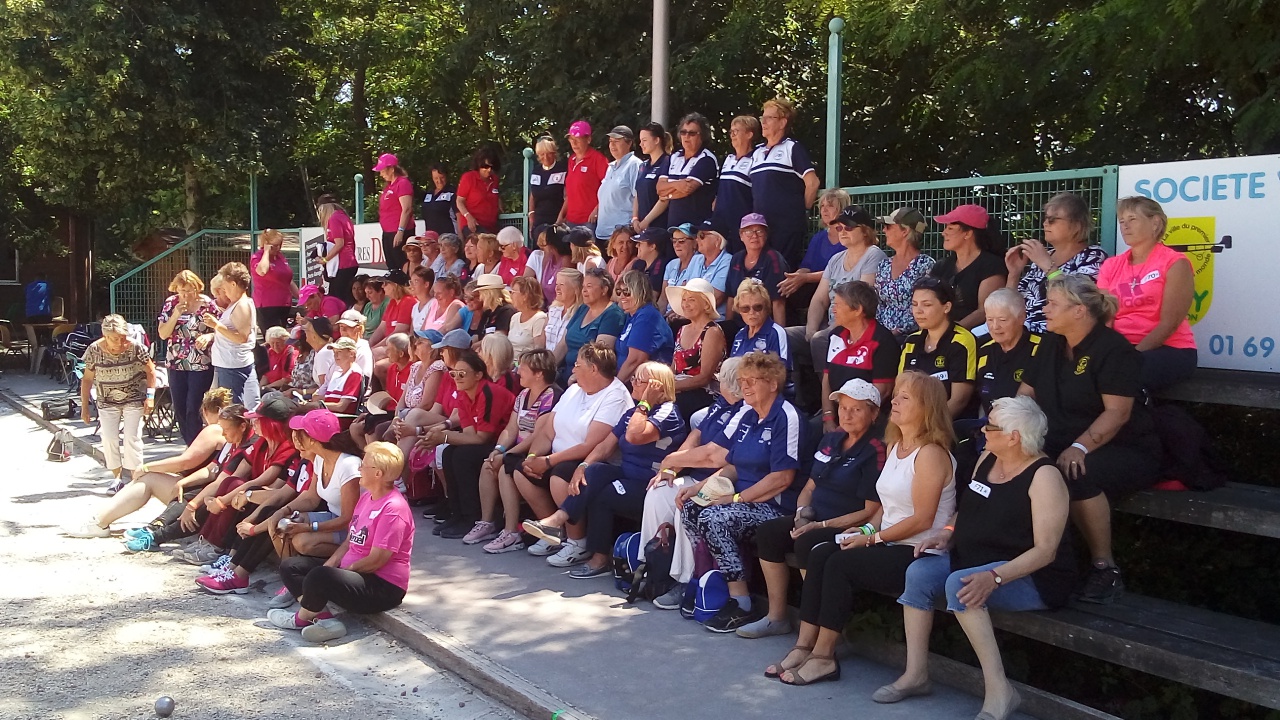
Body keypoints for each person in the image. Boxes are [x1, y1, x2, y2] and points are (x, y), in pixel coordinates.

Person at [882, 395, 1073, 718]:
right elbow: (966, 510)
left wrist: (995, 577)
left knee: (960, 584)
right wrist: (946, 532)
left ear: (1014, 436)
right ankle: (916, 675)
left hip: (1030, 575)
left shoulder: (1044, 477)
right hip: (975, 556)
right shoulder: (988, 459)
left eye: (990, 426)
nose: (982, 429)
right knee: (919, 573)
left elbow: (1046, 551)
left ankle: (1000, 691)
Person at [774, 372, 955, 685]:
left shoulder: (931, 454)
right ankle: (805, 644)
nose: (893, 401)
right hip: (887, 541)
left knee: (840, 564)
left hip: (917, 550)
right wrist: (867, 533)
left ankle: (824, 657)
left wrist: (873, 540)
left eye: (904, 397)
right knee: (820, 553)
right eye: (895, 395)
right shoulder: (897, 445)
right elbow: (885, 506)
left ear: (925, 407)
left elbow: (923, 519)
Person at [1018, 274, 1161, 604]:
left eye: (1053, 304)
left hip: (1123, 448)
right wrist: (1008, 430)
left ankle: (1104, 568)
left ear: (1079, 310)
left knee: (1075, 472)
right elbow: (1026, 395)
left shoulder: (1114, 350)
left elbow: (1117, 414)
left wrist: (1080, 446)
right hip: (1059, 441)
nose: (1045, 310)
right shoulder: (1051, 343)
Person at [743, 378, 885, 639]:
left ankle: (821, 624)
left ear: (874, 413)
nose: (847, 414)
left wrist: (818, 526)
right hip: (812, 516)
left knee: (808, 542)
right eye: (843, 407)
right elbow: (808, 488)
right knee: (769, 533)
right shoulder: (830, 439)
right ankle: (776, 618)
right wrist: (801, 515)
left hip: (845, 523)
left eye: (856, 409)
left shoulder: (876, 449)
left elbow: (870, 511)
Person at [676, 352, 804, 632]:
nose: (744, 386)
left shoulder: (786, 416)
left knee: (714, 518)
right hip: (742, 499)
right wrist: (699, 488)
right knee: (692, 508)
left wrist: (734, 499)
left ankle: (741, 602)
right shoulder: (749, 414)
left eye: (752, 381)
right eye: (742, 381)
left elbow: (782, 478)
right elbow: (732, 465)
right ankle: (708, 582)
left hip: (776, 506)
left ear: (772, 384)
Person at [523, 362, 687, 577]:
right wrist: (583, 466)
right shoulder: (633, 412)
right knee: (595, 470)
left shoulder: (667, 412)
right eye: (634, 378)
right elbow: (605, 446)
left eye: (640, 381)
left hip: (648, 483)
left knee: (604, 494)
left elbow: (634, 436)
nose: (633, 383)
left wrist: (646, 402)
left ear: (658, 387)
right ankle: (557, 520)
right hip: (627, 474)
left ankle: (598, 559)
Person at [269, 443, 409, 643]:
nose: (359, 469)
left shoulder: (393, 509)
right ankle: (324, 619)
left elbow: (377, 560)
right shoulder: (367, 497)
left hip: (383, 586)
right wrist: (332, 564)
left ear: (377, 473)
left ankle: (301, 618)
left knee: (320, 576)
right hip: (359, 573)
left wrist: (342, 572)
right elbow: (350, 538)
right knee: (292, 566)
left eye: (364, 465)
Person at [513, 342, 634, 564]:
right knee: (521, 469)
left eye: (578, 365)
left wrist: (548, 461)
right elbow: (548, 431)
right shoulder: (573, 389)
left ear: (594, 369)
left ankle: (578, 543)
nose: (573, 370)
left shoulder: (615, 395)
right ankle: (553, 533)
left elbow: (591, 444)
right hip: (557, 455)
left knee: (560, 475)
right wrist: (533, 457)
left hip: (596, 462)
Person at [643, 357, 746, 606]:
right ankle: (653, 569)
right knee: (658, 490)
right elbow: (697, 435)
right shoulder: (721, 403)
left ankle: (687, 581)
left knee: (687, 504)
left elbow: (717, 458)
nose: (716, 379)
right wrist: (672, 467)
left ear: (730, 384)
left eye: (720, 377)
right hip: (696, 476)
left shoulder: (744, 410)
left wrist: (672, 459)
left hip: (723, 482)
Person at [67, 388, 233, 539]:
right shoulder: (227, 432)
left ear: (205, 411)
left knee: (148, 479)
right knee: (149, 477)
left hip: (200, 493)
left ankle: (100, 522)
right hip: (206, 491)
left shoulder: (214, 430)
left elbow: (185, 462)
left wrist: (146, 467)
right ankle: (99, 519)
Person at [1097, 196, 1197, 391]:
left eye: (1132, 219)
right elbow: (1105, 318)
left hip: (1170, 349)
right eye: (1122, 221)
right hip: (1121, 350)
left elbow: (1169, 324)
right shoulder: (1111, 265)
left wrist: (1131, 355)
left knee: (1121, 374)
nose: (1125, 226)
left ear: (1155, 223)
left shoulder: (1175, 263)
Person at [416, 351, 517, 538]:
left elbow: (482, 438)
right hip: (483, 440)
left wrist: (444, 436)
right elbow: (470, 434)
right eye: (454, 374)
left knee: (463, 457)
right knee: (449, 453)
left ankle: (472, 517)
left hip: (503, 444)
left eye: (462, 374)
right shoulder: (463, 394)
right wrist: (441, 437)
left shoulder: (489, 392)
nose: (456, 378)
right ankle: (458, 513)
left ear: (478, 375)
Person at [472, 349, 561, 552]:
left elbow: (537, 436)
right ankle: (487, 523)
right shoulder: (522, 394)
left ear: (538, 373)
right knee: (489, 464)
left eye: (523, 367)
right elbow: (511, 428)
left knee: (506, 467)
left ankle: (511, 532)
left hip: (537, 452)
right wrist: (499, 449)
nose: (517, 370)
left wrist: (507, 455)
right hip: (517, 449)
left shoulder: (552, 396)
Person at [1005, 192, 1108, 332]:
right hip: (1020, 333)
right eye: (1045, 218)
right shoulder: (1044, 257)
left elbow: (1078, 300)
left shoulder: (1093, 256)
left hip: (1055, 335)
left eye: (1053, 219)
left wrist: (1047, 265)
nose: (1045, 223)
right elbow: (1009, 305)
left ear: (1076, 225)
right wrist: (1014, 274)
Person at [76, 314, 156, 493]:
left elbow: (151, 371)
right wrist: (84, 407)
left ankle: (136, 478)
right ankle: (117, 478)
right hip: (106, 400)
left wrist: (150, 397)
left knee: (131, 437)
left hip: (134, 397)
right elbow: (87, 380)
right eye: (114, 339)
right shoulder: (94, 350)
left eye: (122, 338)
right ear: (105, 336)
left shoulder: (135, 347)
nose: (119, 343)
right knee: (109, 438)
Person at [818, 282, 899, 430]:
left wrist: (847, 422)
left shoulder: (882, 341)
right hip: (837, 413)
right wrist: (828, 417)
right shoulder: (835, 336)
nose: (833, 309)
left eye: (838, 305)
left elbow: (882, 392)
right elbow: (826, 381)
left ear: (858, 310)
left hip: (867, 420)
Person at [749, 98, 820, 266]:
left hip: (786, 227)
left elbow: (813, 183)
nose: (763, 122)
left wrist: (802, 212)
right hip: (760, 228)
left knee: (782, 272)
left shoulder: (792, 148)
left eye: (769, 118)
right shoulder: (757, 152)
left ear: (782, 122)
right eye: (762, 118)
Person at [899, 277, 978, 418]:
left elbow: (959, 400)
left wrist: (928, 428)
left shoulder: (962, 341)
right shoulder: (911, 341)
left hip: (947, 425)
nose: (918, 311)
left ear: (946, 307)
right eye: (914, 304)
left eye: (927, 305)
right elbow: (900, 388)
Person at [157, 270, 218, 445]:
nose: (185, 295)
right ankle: (190, 446)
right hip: (176, 363)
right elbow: (163, 334)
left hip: (200, 363)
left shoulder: (207, 304)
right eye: (181, 290)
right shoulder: (171, 303)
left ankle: (196, 446)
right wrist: (176, 314)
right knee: (180, 407)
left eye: (189, 290)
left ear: (197, 288)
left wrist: (209, 337)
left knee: (194, 406)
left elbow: (219, 329)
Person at [930, 204, 1008, 329]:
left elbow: (984, 311)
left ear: (967, 234)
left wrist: (952, 333)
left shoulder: (992, 266)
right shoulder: (941, 266)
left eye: (950, 228)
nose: (943, 233)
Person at [667, 278, 727, 419]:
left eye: (691, 300)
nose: (685, 304)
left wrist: (672, 387)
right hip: (679, 388)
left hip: (703, 393)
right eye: (684, 299)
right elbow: (673, 368)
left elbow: (704, 378)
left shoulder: (712, 331)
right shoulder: (682, 329)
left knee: (671, 409)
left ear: (706, 305)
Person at [977, 289, 1042, 414]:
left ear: (1021, 318)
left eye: (1002, 320)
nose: (995, 326)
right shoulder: (984, 349)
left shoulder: (1040, 348)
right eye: (990, 320)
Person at [556, 267, 625, 385]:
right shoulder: (583, 308)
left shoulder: (613, 314)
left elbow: (599, 356)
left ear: (604, 290)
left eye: (589, 286)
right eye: (583, 287)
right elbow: (563, 345)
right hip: (565, 372)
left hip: (584, 379)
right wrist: (546, 366)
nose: (584, 291)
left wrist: (577, 376)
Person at [874, 207, 935, 338]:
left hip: (910, 337)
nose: (884, 230)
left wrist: (898, 331)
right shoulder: (884, 265)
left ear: (905, 231)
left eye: (889, 227)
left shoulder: (925, 265)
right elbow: (879, 304)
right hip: (882, 335)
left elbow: (926, 307)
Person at [204, 262, 259, 407]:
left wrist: (216, 325)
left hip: (233, 366)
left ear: (233, 284)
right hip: (229, 364)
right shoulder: (237, 303)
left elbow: (242, 337)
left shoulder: (242, 305)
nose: (224, 290)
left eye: (225, 286)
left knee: (232, 409)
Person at [785, 189, 853, 299]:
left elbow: (838, 272)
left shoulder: (849, 237)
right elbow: (806, 266)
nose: (824, 210)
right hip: (813, 287)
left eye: (830, 206)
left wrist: (805, 278)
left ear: (842, 209)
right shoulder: (818, 238)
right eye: (822, 206)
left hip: (840, 288)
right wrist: (795, 277)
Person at [726, 214, 789, 326]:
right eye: (749, 231)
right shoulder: (736, 258)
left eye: (759, 231)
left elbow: (778, 302)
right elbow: (731, 296)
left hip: (765, 325)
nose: (754, 236)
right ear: (741, 236)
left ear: (766, 235)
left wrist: (779, 335)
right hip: (739, 324)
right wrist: (728, 327)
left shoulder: (773, 258)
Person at [658, 112, 718, 228]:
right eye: (683, 132)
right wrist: (678, 184)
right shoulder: (673, 157)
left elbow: (686, 190)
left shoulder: (706, 159)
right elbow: (659, 188)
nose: (686, 136)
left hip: (696, 228)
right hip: (673, 228)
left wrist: (668, 191)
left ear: (702, 136)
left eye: (692, 133)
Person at [711, 115, 761, 253]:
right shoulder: (728, 159)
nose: (732, 135)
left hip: (740, 222)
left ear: (749, 134)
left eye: (736, 131)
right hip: (720, 222)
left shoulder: (756, 158)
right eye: (731, 131)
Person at [614, 269, 674, 384]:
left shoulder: (647, 316)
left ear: (640, 292)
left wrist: (614, 389)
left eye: (626, 292)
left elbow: (635, 360)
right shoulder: (631, 315)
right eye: (618, 291)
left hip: (647, 384)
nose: (621, 296)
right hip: (630, 382)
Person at [592, 126, 643, 243]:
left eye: (617, 141)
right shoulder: (610, 167)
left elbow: (638, 197)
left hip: (621, 237)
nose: (612, 145)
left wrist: (634, 221)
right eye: (610, 141)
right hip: (602, 233)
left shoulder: (635, 165)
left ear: (629, 143)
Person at [729, 279, 791, 374]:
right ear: (739, 310)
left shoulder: (776, 333)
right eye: (745, 308)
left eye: (757, 307)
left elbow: (781, 371)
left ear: (766, 307)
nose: (751, 312)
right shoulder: (739, 335)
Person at [559, 121, 608, 226]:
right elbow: (570, 193)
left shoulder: (598, 159)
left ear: (588, 139)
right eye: (571, 139)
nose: (574, 143)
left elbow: (608, 189)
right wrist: (561, 216)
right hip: (570, 220)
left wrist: (597, 210)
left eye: (577, 139)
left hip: (589, 221)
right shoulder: (571, 159)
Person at [250, 228, 298, 332]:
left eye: (280, 245)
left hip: (284, 303)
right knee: (272, 336)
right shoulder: (258, 257)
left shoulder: (280, 257)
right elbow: (262, 271)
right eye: (275, 245)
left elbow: (288, 280)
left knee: (282, 335)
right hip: (267, 305)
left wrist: (300, 297)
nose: (278, 248)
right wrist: (266, 252)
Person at [374, 153, 414, 272]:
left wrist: (400, 231)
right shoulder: (389, 186)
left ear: (391, 169)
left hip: (399, 231)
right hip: (388, 232)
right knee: (392, 266)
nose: (380, 174)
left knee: (402, 264)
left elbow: (406, 209)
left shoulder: (402, 183)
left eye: (382, 170)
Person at [631, 122, 671, 232]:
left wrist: (646, 221)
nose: (641, 144)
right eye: (640, 140)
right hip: (641, 227)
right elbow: (637, 194)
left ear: (656, 140)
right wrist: (635, 219)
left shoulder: (668, 162)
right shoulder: (643, 165)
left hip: (659, 226)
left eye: (644, 140)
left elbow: (665, 198)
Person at [318, 201, 359, 303]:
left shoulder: (334, 219)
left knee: (336, 298)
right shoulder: (344, 217)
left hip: (342, 264)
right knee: (343, 295)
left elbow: (339, 243)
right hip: (349, 262)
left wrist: (325, 259)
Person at [457, 146, 502, 236]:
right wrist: (468, 217)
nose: (489, 170)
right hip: (473, 225)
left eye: (492, 167)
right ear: (479, 164)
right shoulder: (468, 177)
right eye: (485, 166)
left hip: (491, 226)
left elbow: (494, 196)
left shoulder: (495, 180)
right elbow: (459, 201)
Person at [367, 270, 413, 354]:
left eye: (385, 283)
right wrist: (368, 346)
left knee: (373, 355)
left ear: (394, 285)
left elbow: (399, 332)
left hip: (399, 347)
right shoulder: (392, 302)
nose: (382, 286)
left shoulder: (408, 301)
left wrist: (374, 348)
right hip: (389, 345)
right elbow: (381, 328)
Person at [526, 224, 574, 306]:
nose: (543, 246)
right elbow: (541, 288)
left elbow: (565, 292)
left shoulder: (566, 260)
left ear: (552, 244)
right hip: (548, 309)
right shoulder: (548, 258)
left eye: (546, 243)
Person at [315, 337, 364, 414]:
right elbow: (330, 399)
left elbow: (341, 406)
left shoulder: (354, 373)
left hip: (339, 418)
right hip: (326, 414)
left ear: (351, 354)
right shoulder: (336, 374)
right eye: (334, 352)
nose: (335, 355)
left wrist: (316, 405)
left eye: (339, 351)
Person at [690, 226, 732, 315]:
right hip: (690, 314)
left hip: (713, 320)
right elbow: (684, 289)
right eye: (696, 236)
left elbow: (716, 297)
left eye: (701, 236)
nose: (697, 240)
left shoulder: (728, 261)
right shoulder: (695, 259)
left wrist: (689, 311)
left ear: (717, 240)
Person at [659, 223, 699, 315]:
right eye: (674, 241)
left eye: (681, 241)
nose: (676, 245)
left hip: (687, 315)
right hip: (668, 317)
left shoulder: (699, 263)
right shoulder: (671, 264)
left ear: (694, 243)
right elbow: (663, 298)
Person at [528, 136, 567, 229]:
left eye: (549, 153)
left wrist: (561, 218)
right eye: (542, 154)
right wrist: (531, 216)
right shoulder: (536, 171)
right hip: (539, 221)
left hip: (557, 220)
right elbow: (532, 195)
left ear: (554, 153)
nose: (545, 157)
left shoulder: (562, 169)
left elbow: (567, 196)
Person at [545, 267, 582, 354]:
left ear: (575, 289)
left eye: (562, 285)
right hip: (546, 361)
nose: (556, 288)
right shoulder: (553, 310)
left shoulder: (580, 314)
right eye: (556, 284)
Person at [507, 276, 547, 355]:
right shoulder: (515, 317)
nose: (511, 295)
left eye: (513, 292)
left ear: (525, 296)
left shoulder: (539, 319)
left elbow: (538, 351)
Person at [474, 273, 517, 339]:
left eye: (481, 293)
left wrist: (478, 344)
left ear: (489, 294)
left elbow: (500, 337)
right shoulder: (487, 312)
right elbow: (478, 334)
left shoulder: (507, 311)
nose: (481, 298)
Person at [421, 163, 459, 236]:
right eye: (436, 178)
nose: (439, 181)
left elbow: (458, 216)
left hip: (448, 237)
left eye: (442, 177)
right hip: (431, 238)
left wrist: (460, 237)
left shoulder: (452, 192)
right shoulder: (429, 193)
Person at [630, 227, 668, 294]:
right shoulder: (638, 264)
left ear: (652, 247)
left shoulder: (661, 266)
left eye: (640, 243)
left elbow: (652, 296)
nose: (636, 246)